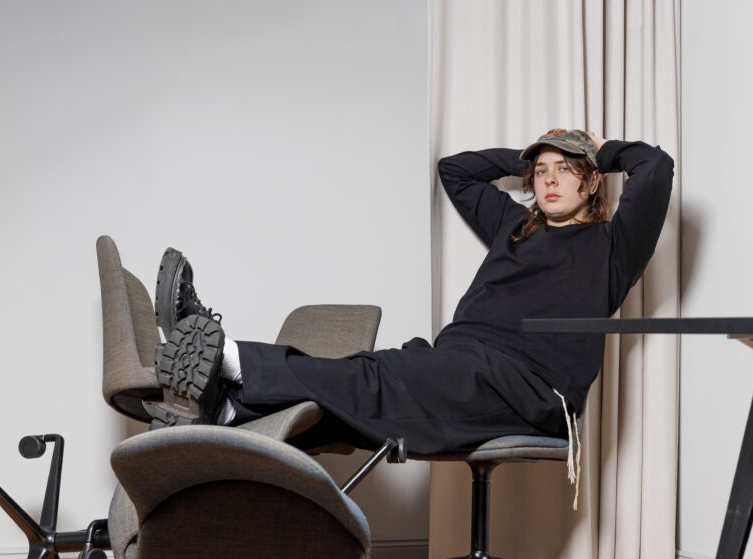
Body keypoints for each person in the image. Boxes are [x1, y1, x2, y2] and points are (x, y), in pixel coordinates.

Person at [147, 129, 674, 459]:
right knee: (369, 380)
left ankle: (228, 357)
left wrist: (598, 151)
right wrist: (529, 155)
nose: (550, 180)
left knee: (378, 379)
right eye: (541, 172)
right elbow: (456, 171)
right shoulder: (513, 226)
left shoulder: (613, 248)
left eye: (566, 170)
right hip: (459, 363)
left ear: (592, 182)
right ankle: (229, 412)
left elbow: (656, 165)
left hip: (530, 391)